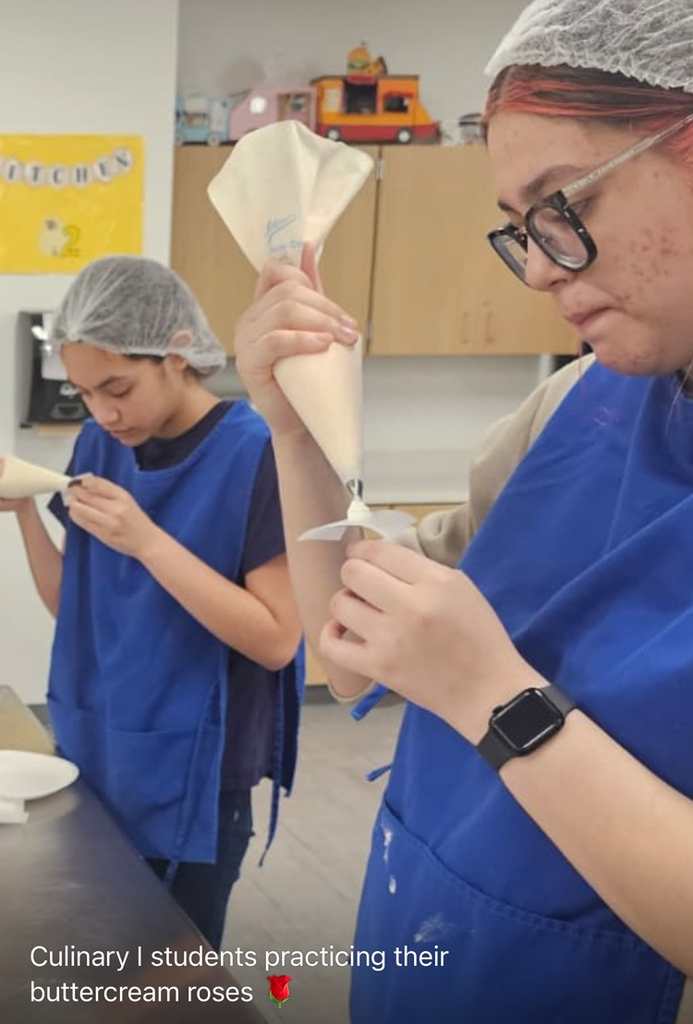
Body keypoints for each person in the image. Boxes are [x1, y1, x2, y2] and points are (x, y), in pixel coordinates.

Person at [232, 0, 693, 1020]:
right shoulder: (578, 407)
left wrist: (497, 699)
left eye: (562, 204)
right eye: (521, 229)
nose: (538, 269)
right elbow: (350, 650)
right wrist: (296, 434)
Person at [1, 255, 303, 951]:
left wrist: (146, 540)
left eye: (118, 388)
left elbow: (276, 639)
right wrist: (22, 514)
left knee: (171, 976)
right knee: (98, 952)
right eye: (83, 394)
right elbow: (76, 610)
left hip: (199, 768)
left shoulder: (257, 455)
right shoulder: (100, 443)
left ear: (176, 350)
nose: (104, 413)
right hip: (100, 742)